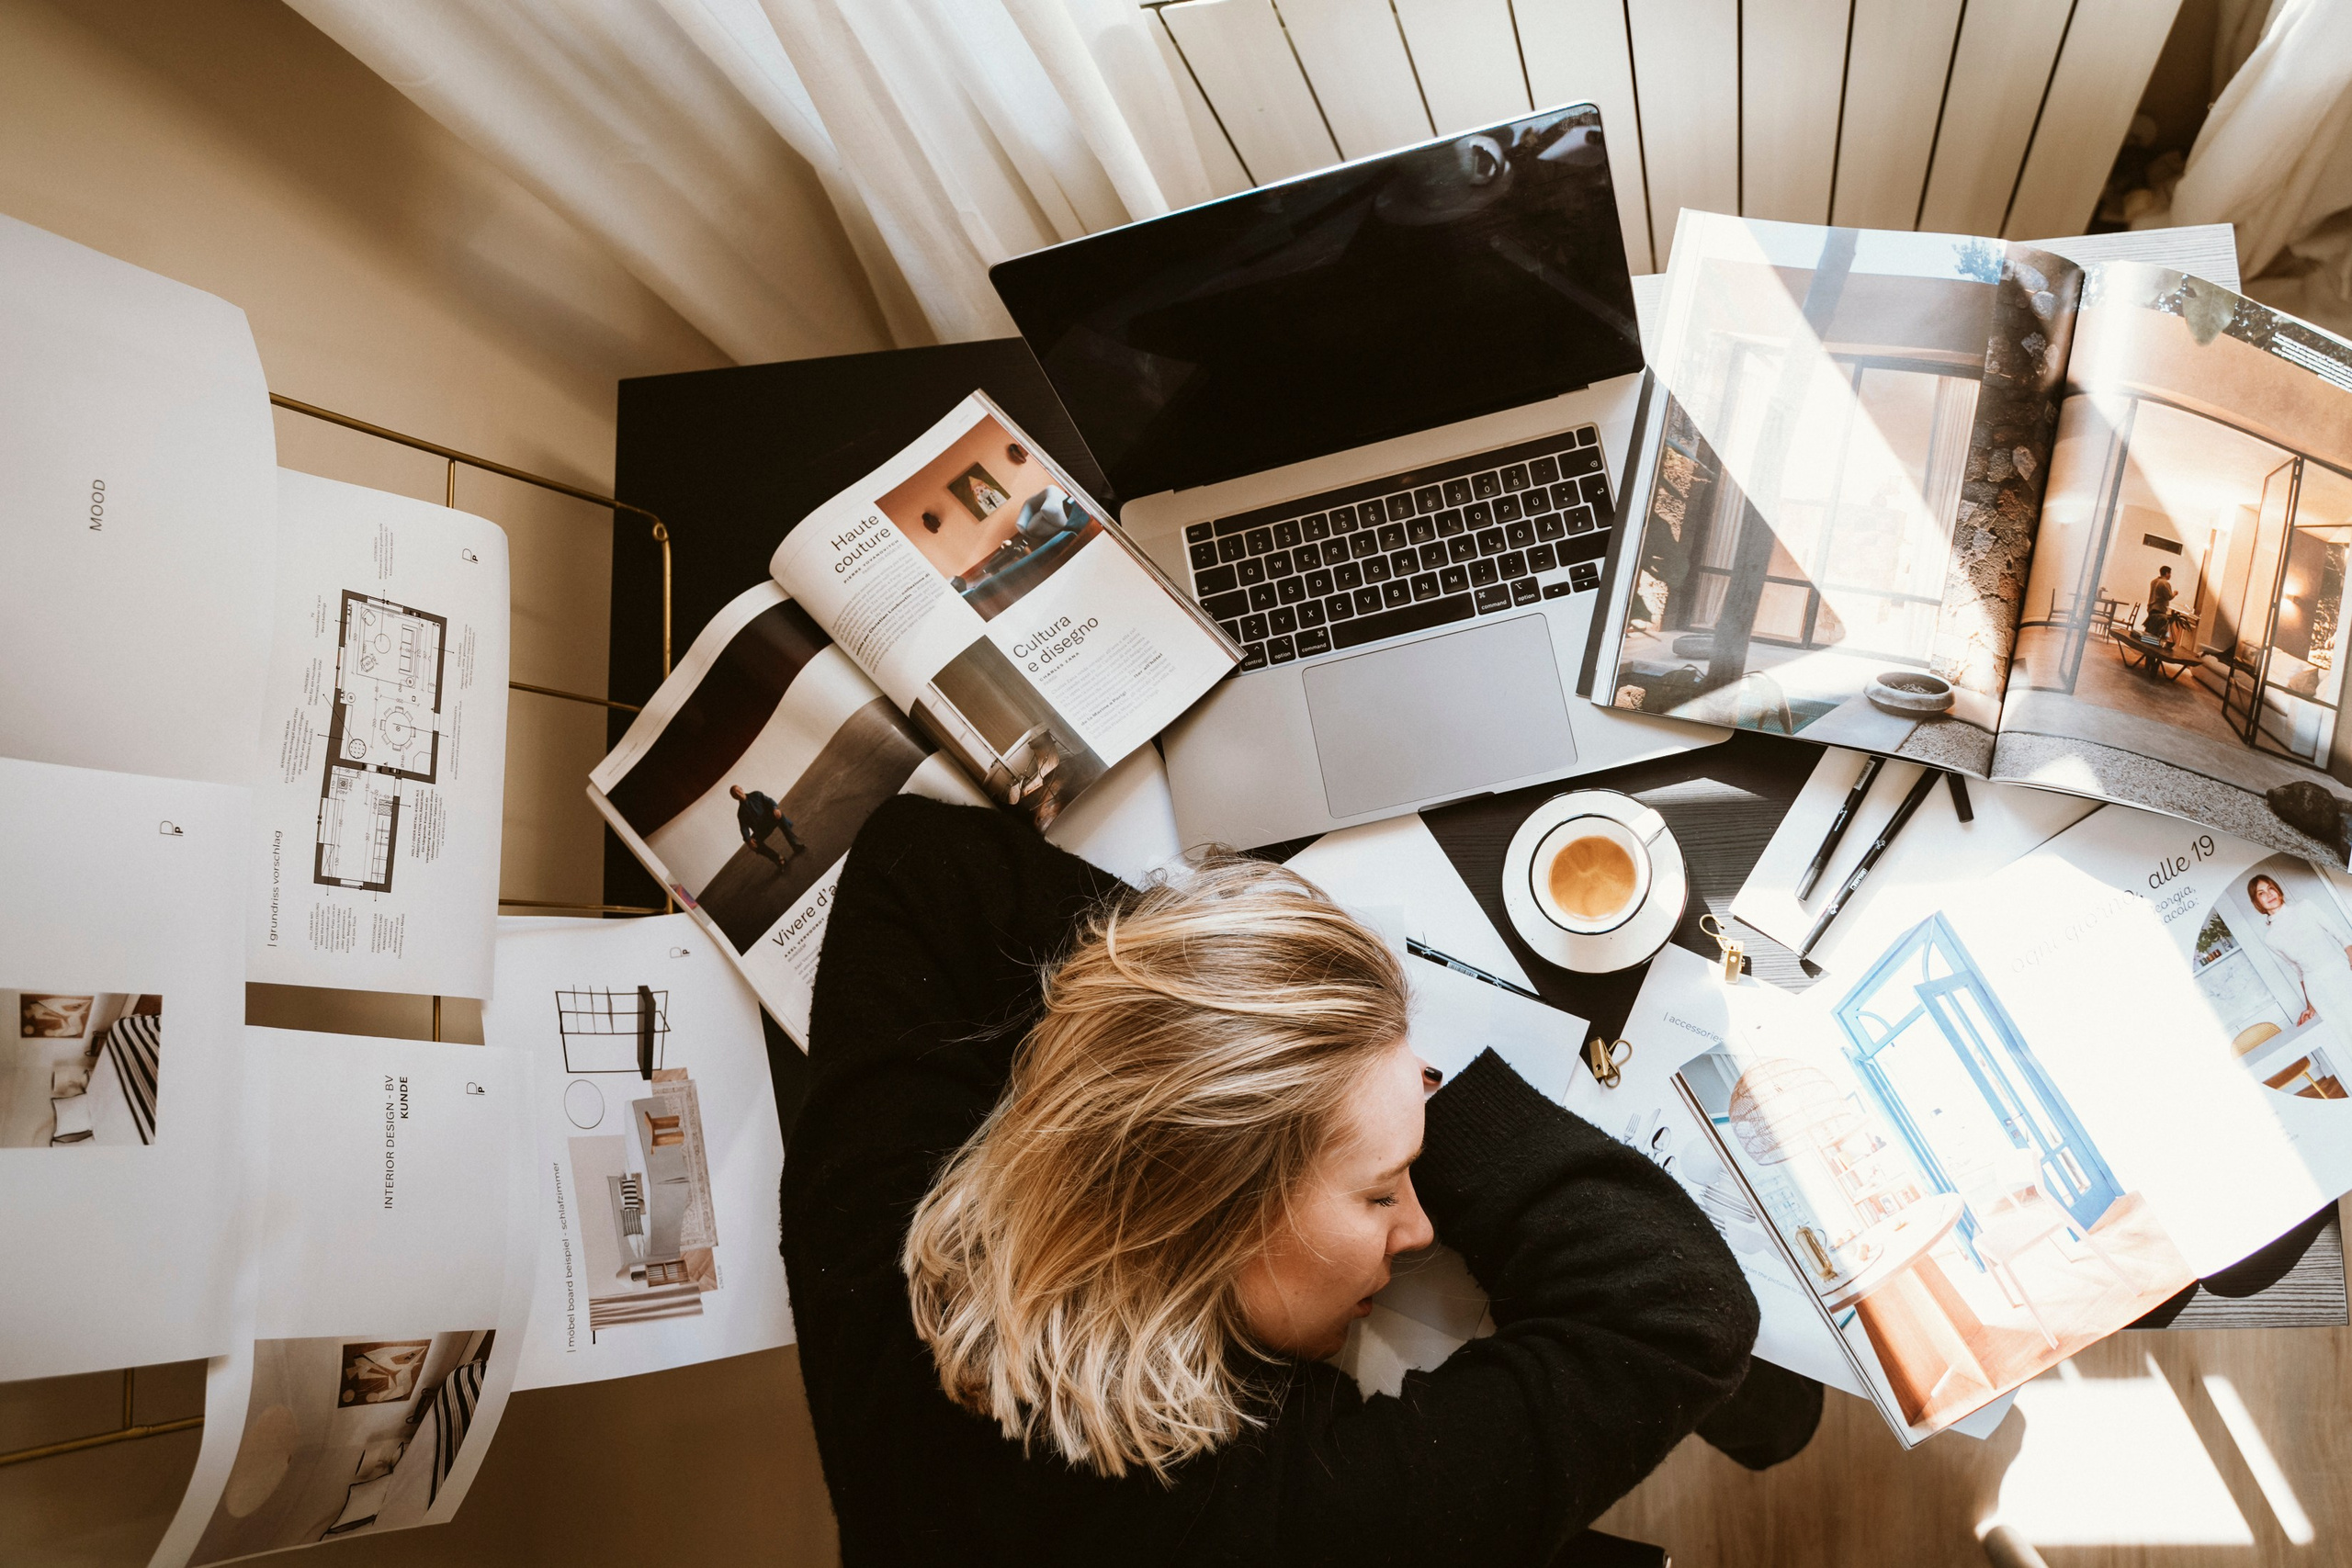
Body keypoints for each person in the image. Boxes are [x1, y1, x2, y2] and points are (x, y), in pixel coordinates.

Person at [782, 797, 1819, 1566]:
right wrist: (1394, 1099)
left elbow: (916, 860)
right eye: (1381, 1193)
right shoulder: (1259, 1529)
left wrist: (1230, 1018)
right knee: (1778, 1411)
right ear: (1206, 1213)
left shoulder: (892, 1259)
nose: (1417, 1229)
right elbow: (1674, 1308)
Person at [2248, 871, 2352, 1035]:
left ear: (2278, 890)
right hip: (2319, 989)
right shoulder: (2270, 938)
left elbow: (2340, 935)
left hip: (2342, 973)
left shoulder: (2305, 906)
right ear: (2257, 902)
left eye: (2271, 888)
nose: (2269, 894)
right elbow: (2299, 971)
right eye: (2261, 893)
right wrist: (2310, 1006)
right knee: (2345, 1034)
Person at [729, 784, 805, 866]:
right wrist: (748, 840)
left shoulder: (756, 794)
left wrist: (775, 808)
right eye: (734, 794)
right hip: (761, 829)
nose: (737, 793)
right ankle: (779, 859)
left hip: (770, 820)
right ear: (734, 798)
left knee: (779, 814)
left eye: (738, 790)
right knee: (754, 844)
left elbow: (770, 801)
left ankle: (794, 845)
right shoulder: (741, 813)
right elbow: (743, 828)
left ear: (741, 789)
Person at [2145, 564, 2177, 640]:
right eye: (2170, 573)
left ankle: (2146, 649)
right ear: (2166, 573)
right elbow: (2168, 597)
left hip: (2151, 608)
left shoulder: (2153, 581)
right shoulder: (2165, 583)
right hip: (2159, 610)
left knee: (2149, 632)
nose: (2170, 575)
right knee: (2157, 633)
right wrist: (2174, 594)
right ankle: (2152, 649)